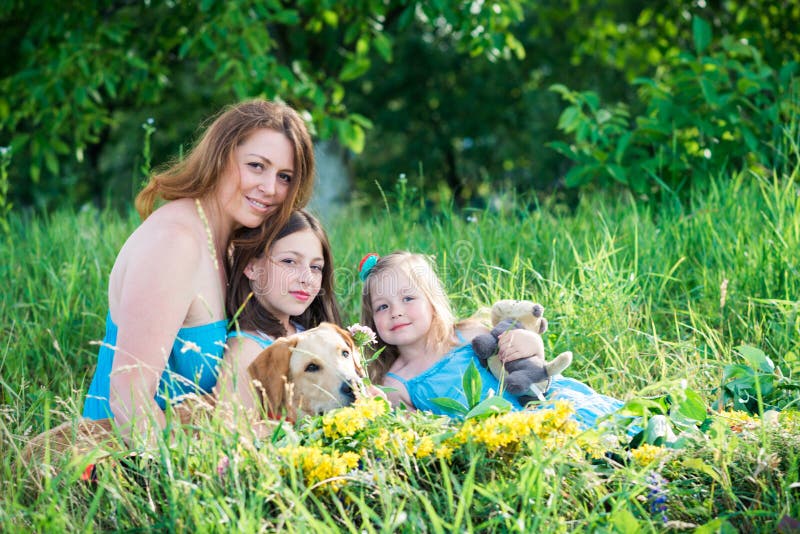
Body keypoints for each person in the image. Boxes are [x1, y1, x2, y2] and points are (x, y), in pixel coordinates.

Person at [82, 100, 315, 444]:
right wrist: (179, 472)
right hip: (120, 458)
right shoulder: (175, 243)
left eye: (285, 177)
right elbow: (128, 397)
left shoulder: (235, 246)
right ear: (220, 157)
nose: (270, 188)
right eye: (256, 166)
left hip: (205, 450)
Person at [359, 251, 624, 430]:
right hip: (491, 440)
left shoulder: (468, 335)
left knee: (595, 424)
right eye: (383, 306)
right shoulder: (395, 384)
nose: (396, 312)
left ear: (432, 301)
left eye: (408, 298)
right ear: (372, 319)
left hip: (535, 405)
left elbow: (528, 362)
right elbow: (419, 431)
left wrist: (529, 344)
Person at [214, 209, 341, 412]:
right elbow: (233, 427)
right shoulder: (247, 351)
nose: (307, 278)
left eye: (316, 267)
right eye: (289, 261)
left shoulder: (307, 332)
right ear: (251, 267)